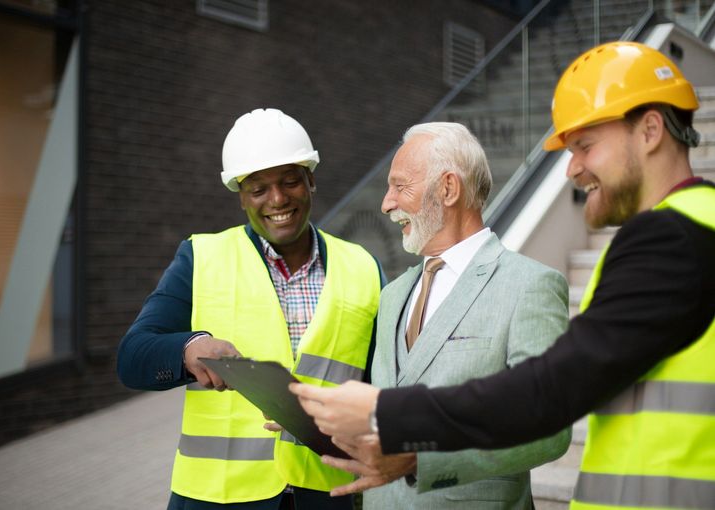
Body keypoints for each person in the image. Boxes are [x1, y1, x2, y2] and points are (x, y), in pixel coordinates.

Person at [291, 42, 715, 510]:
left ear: (651, 129)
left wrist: (389, 416)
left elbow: (551, 389)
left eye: (585, 146)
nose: (572, 169)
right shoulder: (687, 230)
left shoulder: (673, 237)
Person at [117, 108, 383, 510]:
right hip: (219, 497)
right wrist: (188, 349)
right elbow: (132, 358)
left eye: (290, 181)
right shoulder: (201, 257)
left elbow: (383, 381)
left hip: (327, 495)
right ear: (241, 197)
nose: (277, 199)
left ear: (311, 180)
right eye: (258, 189)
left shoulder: (362, 265)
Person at [317, 120, 572, 508]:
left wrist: (421, 461)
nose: (386, 203)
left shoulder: (529, 287)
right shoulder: (392, 295)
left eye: (400, 186)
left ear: (448, 188)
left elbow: (548, 430)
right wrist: (317, 418)